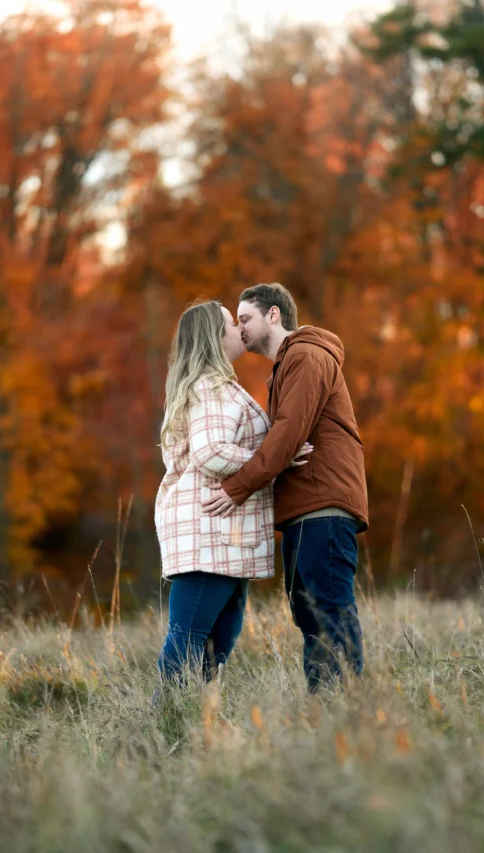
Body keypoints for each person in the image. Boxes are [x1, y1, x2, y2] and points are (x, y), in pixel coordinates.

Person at [204, 283, 369, 691]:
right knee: (309, 613)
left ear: (273, 315)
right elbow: (284, 438)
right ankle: (324, 708)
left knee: (329, 609)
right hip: (303, 509)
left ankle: (343, 707)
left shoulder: (306, 356)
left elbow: (287, 433)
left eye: (246, 319)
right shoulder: (287, 366)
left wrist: (235, 488)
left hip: (323, 506)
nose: (240, 328)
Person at [154, 300, 313, 685]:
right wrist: (274, 459)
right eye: (230, 324)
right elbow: (211, 452)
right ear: (214, 336)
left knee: (215, 644)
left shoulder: (218, 387)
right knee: (190, 640)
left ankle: (196, 726)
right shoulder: (211, 388)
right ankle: (162, 726)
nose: (239, 330)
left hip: (223, 537)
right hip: (210, 531)